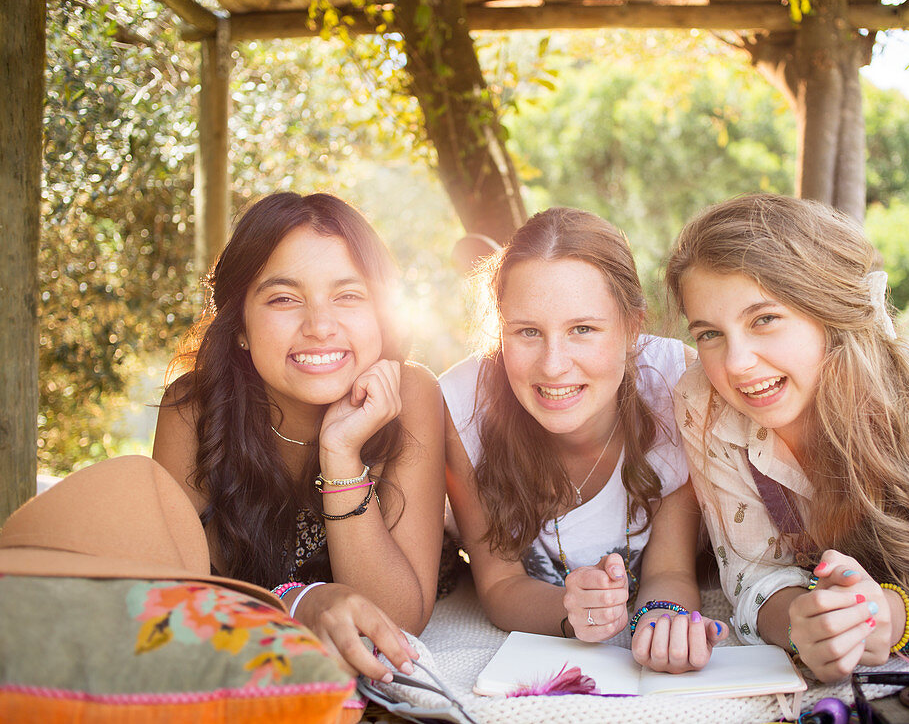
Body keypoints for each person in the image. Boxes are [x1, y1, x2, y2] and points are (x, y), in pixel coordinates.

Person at [664, 193, 909, 683]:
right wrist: (801, 623)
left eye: (764, 319)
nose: (736, 364)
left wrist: (889, 617)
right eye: (709, 334)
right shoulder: (703, 402)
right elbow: (750, 572)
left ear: (827, 309)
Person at [153, 192, 445, 681]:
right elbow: (167, 593)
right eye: (284, 298)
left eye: (348, 295)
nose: (320, 326)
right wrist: (296, 603)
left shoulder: (413, 393)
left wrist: (342, 454)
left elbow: (397, 622)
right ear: (240, 324)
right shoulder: (193, 410)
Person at [441, 207, 728, 674]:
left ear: (633, 326)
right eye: (528, 331)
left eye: (583, 329)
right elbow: (499, 585)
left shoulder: (677, 387)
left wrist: (661, 618)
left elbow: (669, 571)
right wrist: (569, 613)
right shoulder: (462, 405)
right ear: (501, 328)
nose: (553, 365)